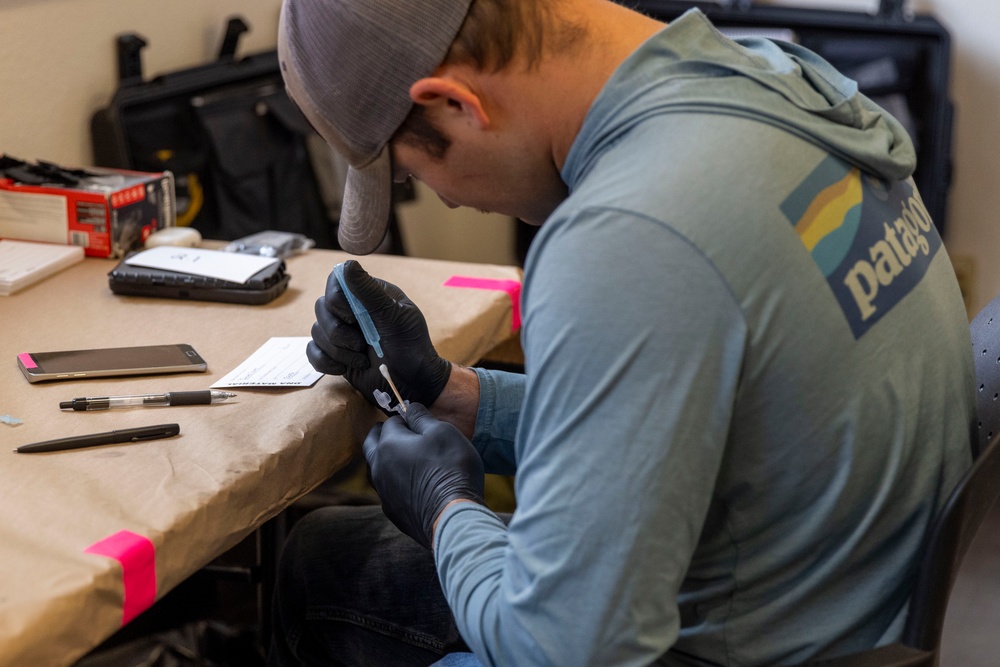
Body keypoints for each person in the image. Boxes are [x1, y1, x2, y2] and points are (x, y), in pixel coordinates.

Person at [269, 0, 977, 664]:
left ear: (455, 104)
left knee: (318, 581)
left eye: (413, 176)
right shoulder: (774, 82)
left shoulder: (629, 235)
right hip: (852, 601)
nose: (449, 197)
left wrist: (442, 505)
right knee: (320, 554)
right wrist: (455, 394)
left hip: (738, 643)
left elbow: (561, 648)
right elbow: (698, 413)